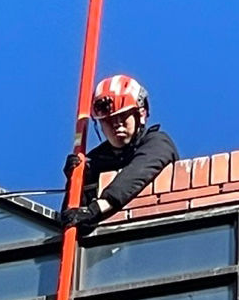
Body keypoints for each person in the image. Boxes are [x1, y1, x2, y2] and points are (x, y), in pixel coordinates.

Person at [60, 75, 178, 229]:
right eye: (108, 120)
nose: (117, 124)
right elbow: (72, 218)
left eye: (123, 116)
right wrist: (76, 182)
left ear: (140, 115)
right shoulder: (94, 160)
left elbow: (139, 171)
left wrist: (99, 207)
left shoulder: (158, 143)